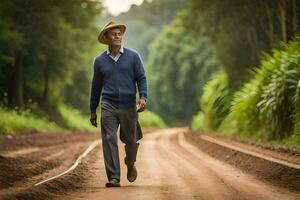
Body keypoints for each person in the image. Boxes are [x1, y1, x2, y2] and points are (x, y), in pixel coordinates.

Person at [89, 21, 147, 187]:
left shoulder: (133, 56)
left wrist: (143, 97)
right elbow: (96, 86)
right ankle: (114, 177)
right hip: (108, 104)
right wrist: (93, 109)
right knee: (109, 138)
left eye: (119, 33)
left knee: (131, 140)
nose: (117, 35)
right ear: (106, 38)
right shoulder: (99, 61)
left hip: (129, 105)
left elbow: (141, 78)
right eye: (113, 33)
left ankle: (130, 162)